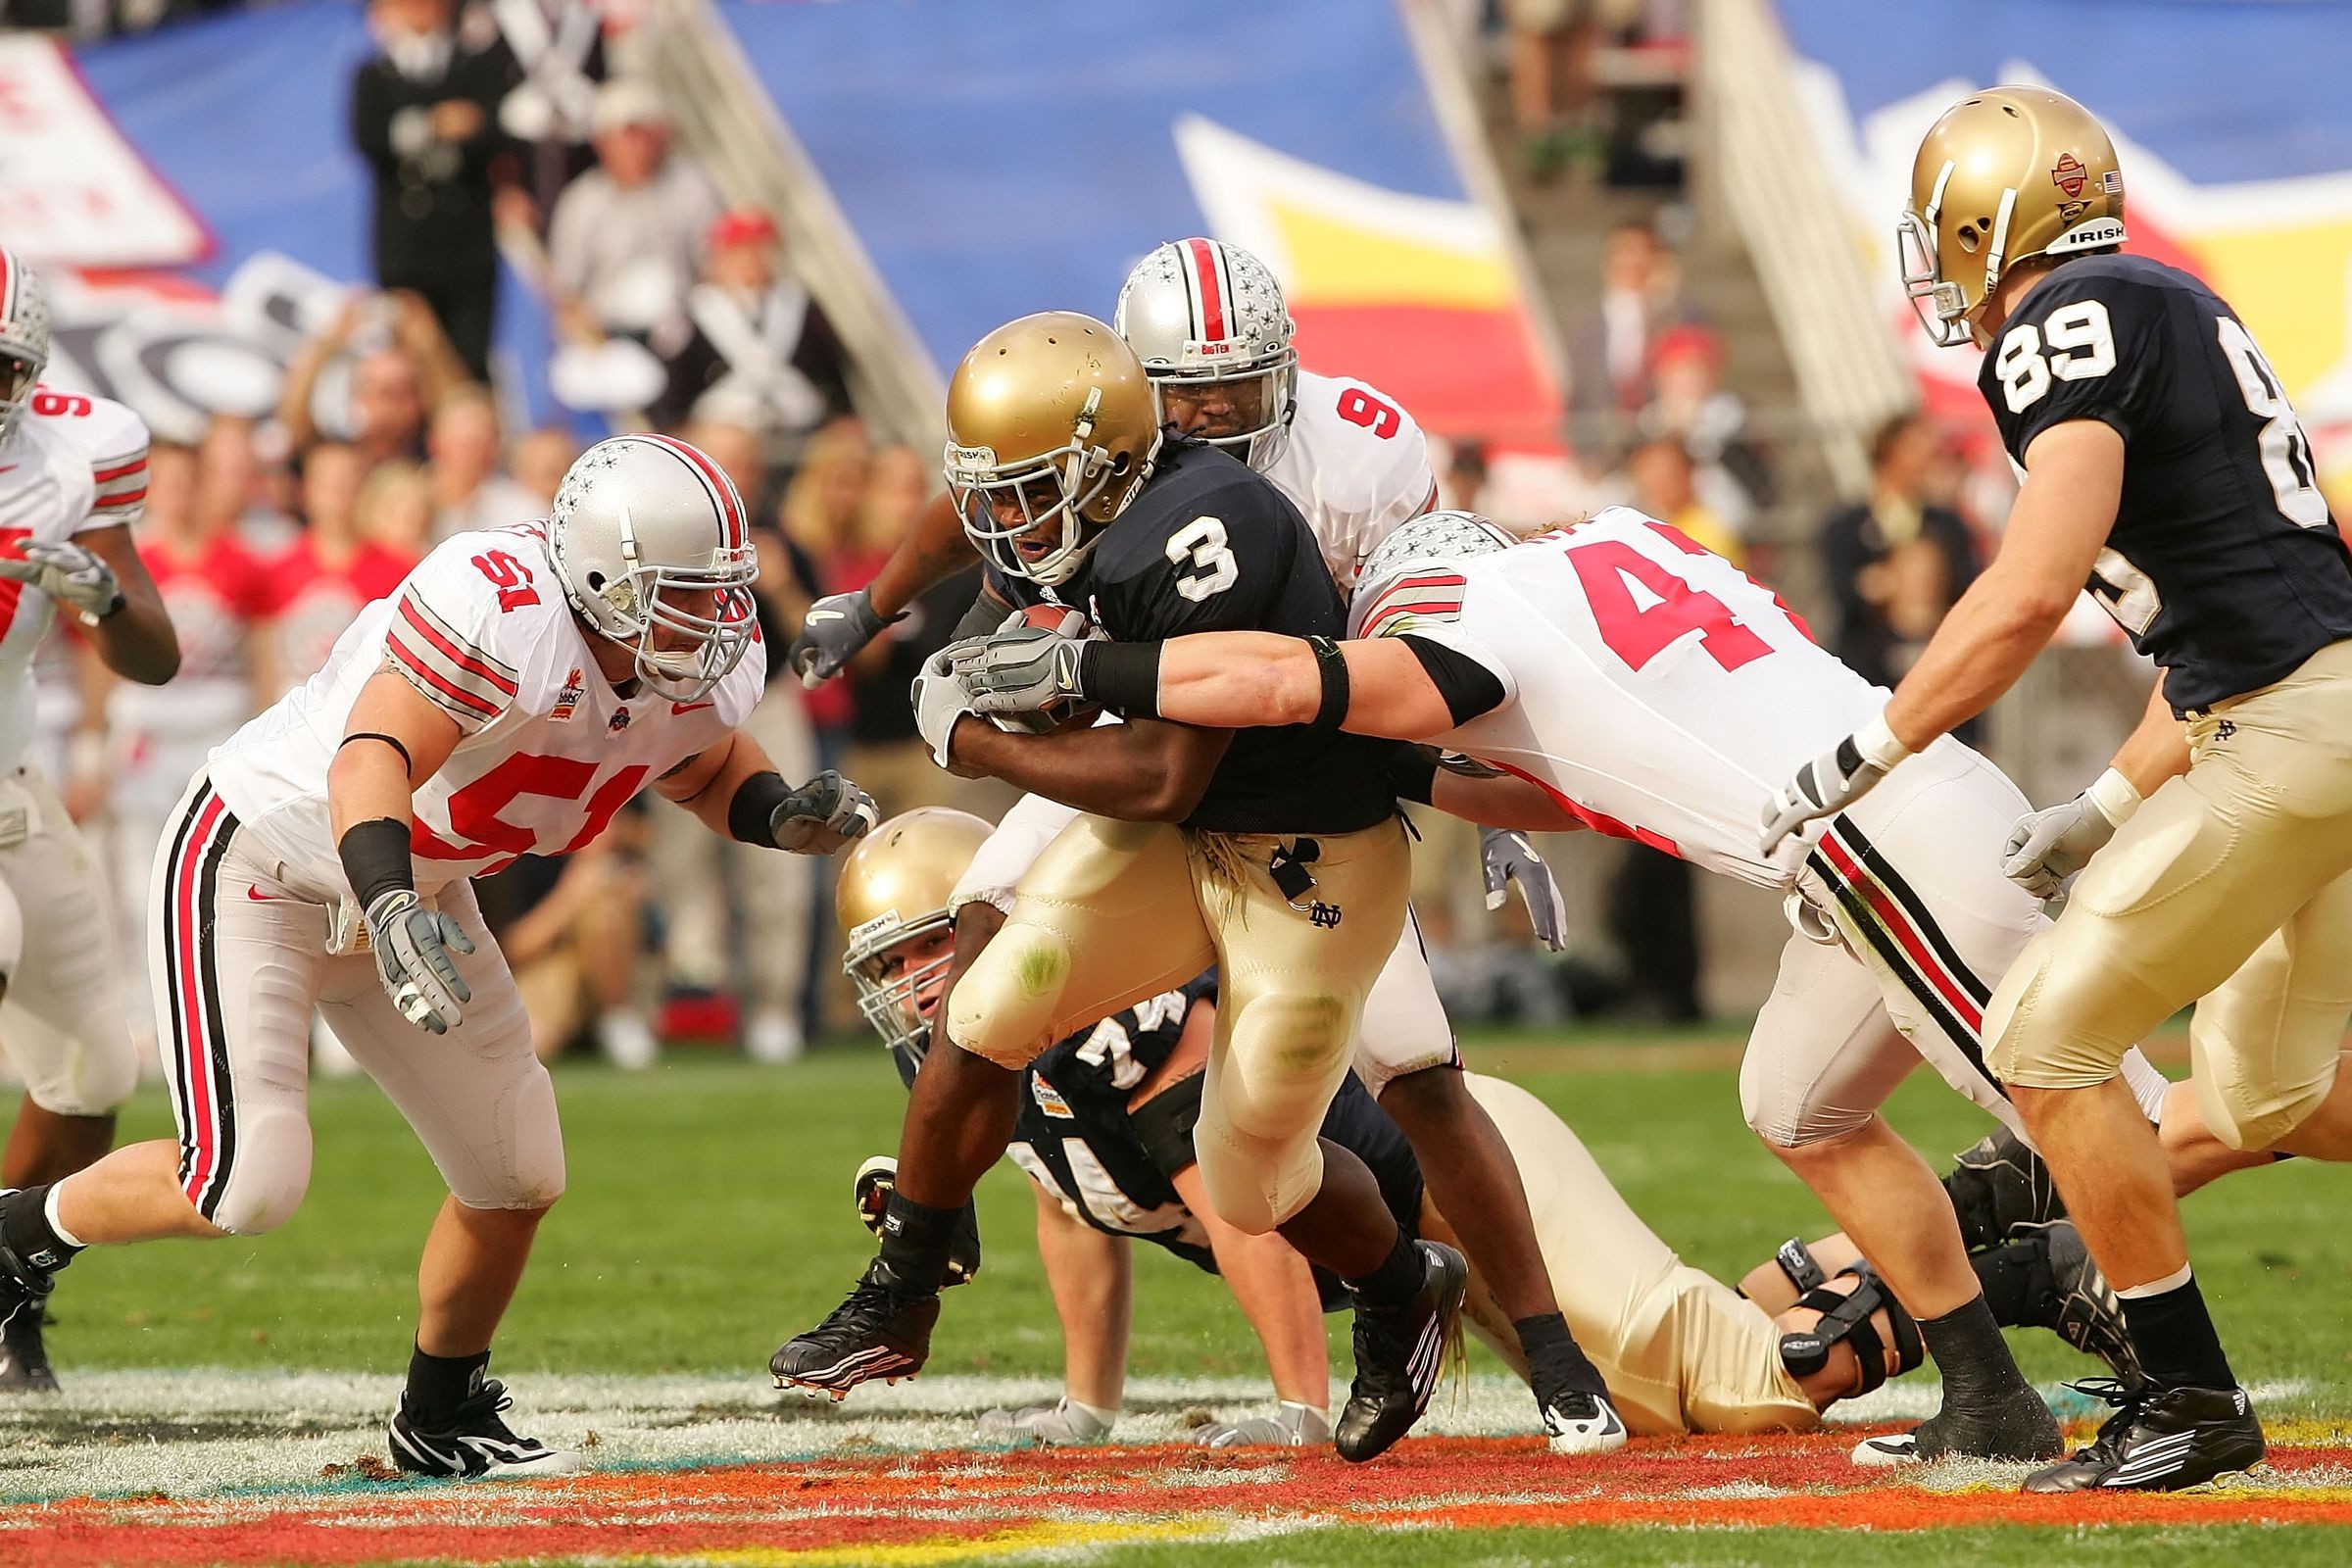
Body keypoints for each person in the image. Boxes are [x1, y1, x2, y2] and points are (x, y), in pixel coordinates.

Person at [949, 507, 2280, 1465]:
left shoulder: (1457, 616)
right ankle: (1991, 1399)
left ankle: (2179, 1372)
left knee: (2128, 1112)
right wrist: (1453, 793)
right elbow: (1586, 773)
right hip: (1857, 832)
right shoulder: (1621, 542)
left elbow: (1291, 678)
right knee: (1795, 1104)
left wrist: (1083, 669)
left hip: (1880, 840)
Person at [785, 242, 1624, 1450]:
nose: (1220, 411)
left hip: (1307, 806)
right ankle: (917, 1257)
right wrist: (877, 609)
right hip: (1154, 773)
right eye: (1193, 393)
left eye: (1241, 386)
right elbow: (988, 508)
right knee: (978, 965)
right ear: (1136, 398)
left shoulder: (1318, 469)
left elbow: (1431, 617)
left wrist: (1473, 776)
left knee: (1388, 1086)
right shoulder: (1093, 477)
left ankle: (1544, 1349)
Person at [0, 433, 876, 1476]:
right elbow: (372, 756)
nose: (714, 619)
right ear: (602, 575)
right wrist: (388, 902)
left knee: (516, 1165)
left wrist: (782, 815)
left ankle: (443, 1410)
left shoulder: (684, 661)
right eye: (683, 592)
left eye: (720, 591)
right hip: (265, 857)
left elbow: (703, 762)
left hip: (415, 881)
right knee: (246, 1183)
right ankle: (18, 1235)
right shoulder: (497, 606)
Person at [1755, 84, 2352, 1494]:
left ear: (1984, 220)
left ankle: (2187, 1394)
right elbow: (2245, 604)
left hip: (2290, 737)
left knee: (2043, 1042)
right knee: (2275, 1097)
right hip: (2310, 712)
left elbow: (2029, 589)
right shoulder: (2171, 301)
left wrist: (1880, 740)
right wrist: (2104, 800)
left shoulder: (2058, 330)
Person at [840, 808, 2138, 1448]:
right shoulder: (1023, 1085)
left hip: (1464, 1189)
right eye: (892, 971)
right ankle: (1971, 1207)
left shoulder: (1110, 1017)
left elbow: (1245, 1205)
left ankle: (2017, 1266)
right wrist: (1088, 1408)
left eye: (924, 957)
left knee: (1750, 1400)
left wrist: (1300, 1405)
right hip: (1429, 1244)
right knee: (1686, 1380)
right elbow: (1077, 1211)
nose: (917, 994)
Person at [0, 250, 184, 1391]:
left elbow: (152, 655)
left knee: (92, 1070)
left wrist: (103, 598)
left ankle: (2, 1295)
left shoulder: (78, 454)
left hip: (12, 783)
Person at [349, 0, 512, 380]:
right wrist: (432, 125)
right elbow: (368, 140)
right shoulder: (374, 74)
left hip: (467, 243)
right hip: (405, 248)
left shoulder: (475, 64)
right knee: (412, 363)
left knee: (470, 360)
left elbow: (495, 131)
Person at [1818, 415, 1981, 703]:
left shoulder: (1947, 524)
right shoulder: (1847, 525)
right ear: (1889, 452)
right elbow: (1840, 589)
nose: (1930, 460)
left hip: (1934, 668)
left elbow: (1967, 585)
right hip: (1864, 667)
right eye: (1919, 449)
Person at [547, 78, 723, 345]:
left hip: (684, 331)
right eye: (626, 137)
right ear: (601, 142)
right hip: (609, 336)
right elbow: (566, 292)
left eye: (646, 135)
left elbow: (716, 266)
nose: (638, 148)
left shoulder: (692, 185)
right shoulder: (581, 202)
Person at [653, 207, 852, 441]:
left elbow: (830, 367)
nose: (752, 260)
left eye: (760, 250)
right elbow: (674, 379)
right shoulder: (694, 310)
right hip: (724, 429)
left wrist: (844, 415)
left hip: (799, 425)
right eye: (740, 251)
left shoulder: (798, 304)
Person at [428, 386, 543, 543]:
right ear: (435, 443)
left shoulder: (522, 508)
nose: (474, 457)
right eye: (465, 445)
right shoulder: (405, 501)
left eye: (483, 444)